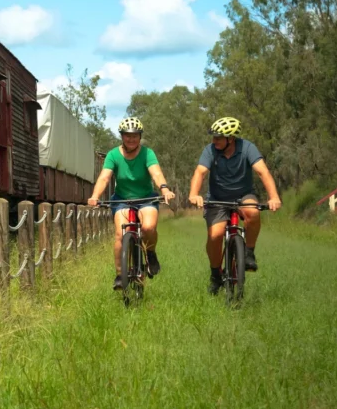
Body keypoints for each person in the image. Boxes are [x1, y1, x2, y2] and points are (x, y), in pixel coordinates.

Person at [188, 116, 282, 295]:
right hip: (217, 198)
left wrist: (274, 197)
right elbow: (200, 173)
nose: (214, 141)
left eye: (218, 138)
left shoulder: (248, 148)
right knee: (215, 236)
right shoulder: (210, 150)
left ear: (230, 139)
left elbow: (263, 172)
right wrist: (194, 194)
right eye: (213, 137)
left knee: (253, 213)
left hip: (243, 196)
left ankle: (249, 252)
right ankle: (216, 275)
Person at [88, 117, 175, 290]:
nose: (131, 139)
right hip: (121, 200)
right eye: (127, 135)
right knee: (121, 235)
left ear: (140, 136)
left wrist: (164, 189)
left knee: (149, 228)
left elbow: (156, 174)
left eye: (135, 136)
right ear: (121, 136)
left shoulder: (147, 153)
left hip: (146, 199)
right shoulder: (113, 154)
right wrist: (95, 196)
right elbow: (105, 177)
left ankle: (150, 253)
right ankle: (120, 275)